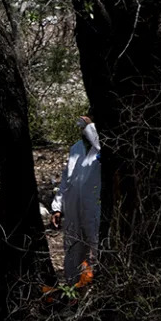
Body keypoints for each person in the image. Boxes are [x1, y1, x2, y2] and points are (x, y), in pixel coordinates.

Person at [50, 116, 102, 285]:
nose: (84, 132)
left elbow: (98, 144)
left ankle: (96, 287)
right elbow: (66, 179)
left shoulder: (100, 148)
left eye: (87, 128)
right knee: (73, 247)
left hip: (94, 207)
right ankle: (73, 287)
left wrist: (91, 126)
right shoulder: (76, 148)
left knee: (96, 246)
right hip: (73, 206)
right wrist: (57, 207)